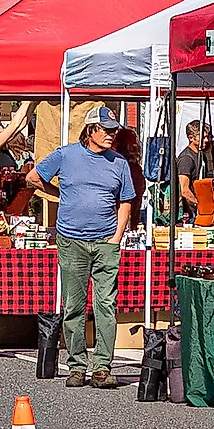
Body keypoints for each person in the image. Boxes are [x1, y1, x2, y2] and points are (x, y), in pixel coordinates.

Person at [35, 104, 137, 388]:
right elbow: (34, 178)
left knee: (106, 304)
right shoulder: (66, 155)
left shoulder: (119, 163)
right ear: (90, 130)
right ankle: (77, 366)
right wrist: (60, 193)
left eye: (113, 131)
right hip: (72, 242)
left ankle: (102, 366)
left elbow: (126, 201)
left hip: (105, 241)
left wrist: (116, 238)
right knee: (74, 305)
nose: (111, 136)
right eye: (105, 130)